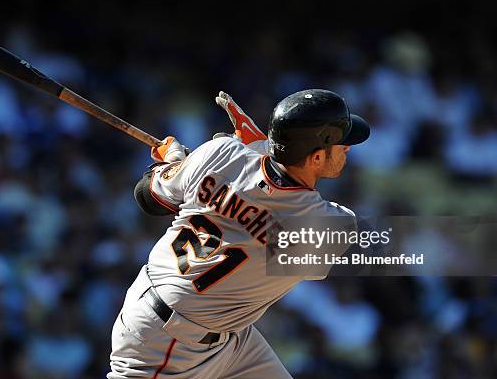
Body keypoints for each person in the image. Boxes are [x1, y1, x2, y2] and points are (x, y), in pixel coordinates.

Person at [108, 89, 371, 378]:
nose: (347, 148)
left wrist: (175, 163)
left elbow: (148, 197)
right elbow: (270, 203)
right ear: (317, 157)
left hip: (222, 333)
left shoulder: (219, 153)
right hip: (165, 340)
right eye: (341, 143)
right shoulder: (327, 222)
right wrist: (256, 146)